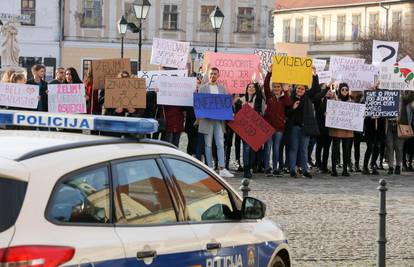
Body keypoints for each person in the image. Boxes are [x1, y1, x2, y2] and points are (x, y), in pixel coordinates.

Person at [198, 67, 234, 178]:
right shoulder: (202, 88)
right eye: (211, 74)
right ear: (209, 75)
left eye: (215, 74)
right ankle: (210, 168)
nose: (213, 75)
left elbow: (225, 105)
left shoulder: (222, 89)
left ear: (218, 75)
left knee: (220, 143)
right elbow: (199, 104)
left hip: (218, 121)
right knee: (208, 145)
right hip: (207, 120)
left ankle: (222, 168)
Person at [286, 75, 320, 178]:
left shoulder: (307, 98)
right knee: (294, 149)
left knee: (304, 150)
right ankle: (292, 170)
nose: (300, 90)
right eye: (298, 88)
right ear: (295, 89)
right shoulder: (291, 99)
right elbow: (287, 113)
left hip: (305, 128)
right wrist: (293, 108)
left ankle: (304, 170)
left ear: (305, 90)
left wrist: (314, 75)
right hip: (294, 128)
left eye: (302, 89)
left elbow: (315, 88)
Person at [263, 68, 291, 176]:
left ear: (281, 88)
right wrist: (269, 73)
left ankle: (275, 168)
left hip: (279, 128)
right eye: (274, 86)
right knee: (268, 148)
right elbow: (265, 84)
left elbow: (289, 103)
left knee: (276, 148)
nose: (276, 88)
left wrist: (286, 90)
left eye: (278, 87)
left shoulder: (284, 98)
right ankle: (266, 168)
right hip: (268, 127)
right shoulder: (269, 97)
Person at [240, 82, 266, 178]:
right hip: (244, 129)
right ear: (246, 89)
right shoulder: (242, 100)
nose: (251, 88)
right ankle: (246, 169)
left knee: (253, 149)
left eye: (253, 87)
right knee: (246, 148)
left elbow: (263, 113)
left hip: (255, 129)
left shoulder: (260, 100)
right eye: (249, 87)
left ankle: (251, 166)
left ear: (256, 89)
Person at [329, 83, 354, 177]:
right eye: (342, 90)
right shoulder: (335, 100)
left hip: (347, 129)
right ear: (339, 90)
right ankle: (334, 169)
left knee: (346, 149)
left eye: (346, 90)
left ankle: (345, 169)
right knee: (335, 149)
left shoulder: (351, 101)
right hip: (337, 128)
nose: (344, 91)